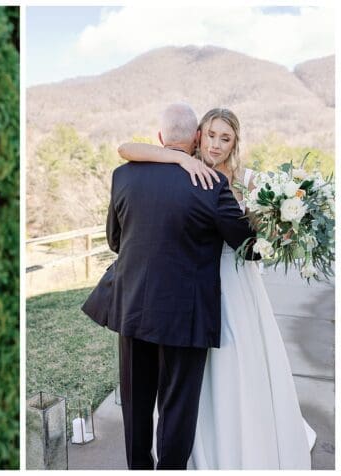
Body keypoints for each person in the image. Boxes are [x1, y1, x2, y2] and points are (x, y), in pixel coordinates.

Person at [115, 107, 315, 469]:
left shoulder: (235, 180)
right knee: (180, 387)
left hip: (226, 287)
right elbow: (127, 147)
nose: (216, 144)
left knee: (227, 367)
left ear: (235, 142)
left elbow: (249, 246)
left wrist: (281, 232)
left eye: (225, 138)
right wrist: (175, 158)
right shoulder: (191, 174)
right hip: (188, 294)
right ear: (196, 137)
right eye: (210, 135)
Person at [82, 102, 259, 469]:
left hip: (132, 308)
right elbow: (247, 246)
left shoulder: (123, 176)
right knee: (177, 409)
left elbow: (116, 240)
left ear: (161, 138)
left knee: (135, 403)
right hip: (185, 316)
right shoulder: (212, 186)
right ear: (196, 138)